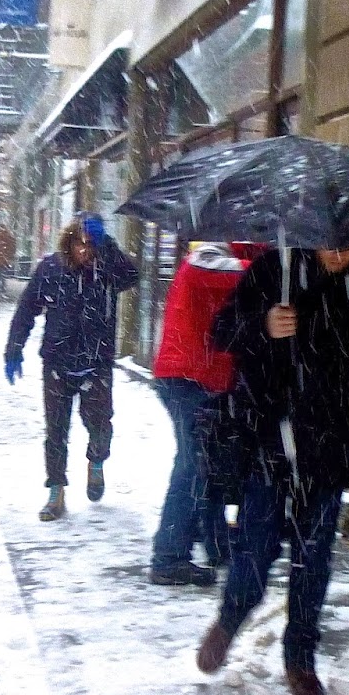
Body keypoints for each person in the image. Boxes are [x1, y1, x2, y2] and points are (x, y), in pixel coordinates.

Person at [194, 246, 349, 695]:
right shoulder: (274, 270)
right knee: (255, 547)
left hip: (330, 445)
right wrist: (263, 327)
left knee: (315, 556)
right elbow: (220, 332)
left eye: (347, 245)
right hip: (270, 437)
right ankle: (232, 616)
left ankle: (300, 658)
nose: (336, 253)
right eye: (328, 243)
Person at [5, 213, 140, 521]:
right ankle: (56, 491)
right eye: (81, 243)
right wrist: (14, 348)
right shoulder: (51, 269)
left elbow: (132, 275)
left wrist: (107, 246)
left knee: (101, 425)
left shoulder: (105, 270)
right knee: (56, 431)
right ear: (69, 240)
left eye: (91, 245)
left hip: (96, 363)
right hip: (57, 362)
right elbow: (27, 308)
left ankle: (96, 461)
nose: (85, 251)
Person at [147, 241, 263, 586]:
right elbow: (211, 272)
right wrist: (266, 270)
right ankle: (168, 557)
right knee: (192, 466)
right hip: (186, 378)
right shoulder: (208, 254)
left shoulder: (237, 259)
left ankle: (210, 543)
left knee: (205, 466)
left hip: (202, 379)